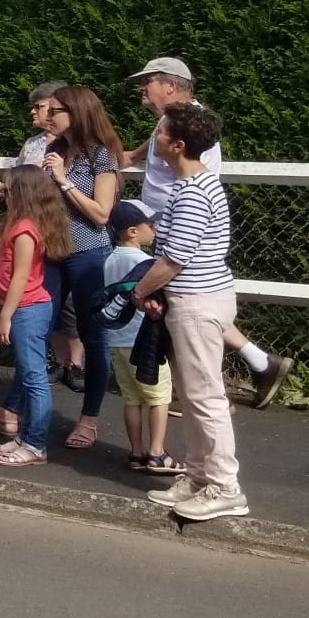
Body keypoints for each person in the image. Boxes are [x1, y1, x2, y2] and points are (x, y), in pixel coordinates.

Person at [126, 57, 292, 407]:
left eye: (149, 80)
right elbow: (130, 158)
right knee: (175, 310)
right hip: (164, 229)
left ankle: (201, 395)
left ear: (171, 86)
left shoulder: (190, 129)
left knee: (182, 310)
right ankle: (258, 364)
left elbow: (199, 184)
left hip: (175, 235)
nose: (142, 87)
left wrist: (167, 227)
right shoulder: (166, 124)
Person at [134, 103, 250, 521]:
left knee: (205, 398)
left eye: (160, 133)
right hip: (192, 300)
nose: (155, 139)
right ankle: (200, 476)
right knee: (195, 393)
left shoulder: (195, 192)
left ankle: (225, 485)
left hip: (198, 304)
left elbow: (174, 258)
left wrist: (139, 292)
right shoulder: (193, 186)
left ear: (177, 144)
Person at [0, 164, 71, 466]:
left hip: (28, 309)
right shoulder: (16, 222)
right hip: (27, 308)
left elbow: (20, 278)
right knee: (29, 374)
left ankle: (36, 445)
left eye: (7, 189)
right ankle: (26, 438)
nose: (3, 191)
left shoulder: (25, 230)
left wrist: (4, 316)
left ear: (20, 192)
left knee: (35, 378)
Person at [40, 85, 124, 447]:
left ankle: (88, 420)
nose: (48, 116)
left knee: (94, 336)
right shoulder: (54, 150)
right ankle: (12, 413)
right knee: (36, 326)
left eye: (56, 110)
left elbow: (101, 213)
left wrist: (63, 181)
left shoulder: (100, 157)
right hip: (53, 252)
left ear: (77, 112)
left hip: (89, 254)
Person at [102, 198, 182, 476]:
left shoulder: (110, 259)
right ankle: (158, 453)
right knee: (159, 397)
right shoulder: (146, 262)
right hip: (142, 339)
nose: (155, 229)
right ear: (132, 231)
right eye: (149, 225)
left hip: (117, 339)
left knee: (132, 398)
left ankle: (136, 451)